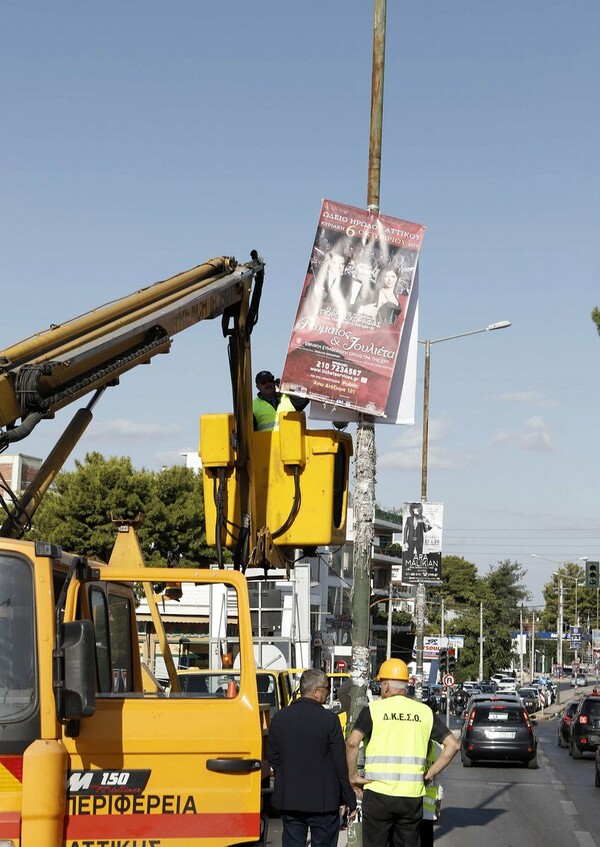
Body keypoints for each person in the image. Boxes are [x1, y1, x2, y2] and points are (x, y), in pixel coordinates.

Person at [345, 658, 459, 847]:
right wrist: (430, 774)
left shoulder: (373, 710)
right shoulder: (424, 712)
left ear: (387, 685)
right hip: (411, 797)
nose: (381, 689)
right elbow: (453, 745)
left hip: (378, 794)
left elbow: (352, 742)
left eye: (381, 684)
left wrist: (353, 777)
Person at [267, 668, 357, 847]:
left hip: (290, 799)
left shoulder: (279, 718)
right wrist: (349, 799)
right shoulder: (329, 720)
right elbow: (340, 762)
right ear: (316, 692)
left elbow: (273, 756)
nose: (328, 692)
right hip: (324, 803)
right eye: (327, 688)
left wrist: (287, 775)